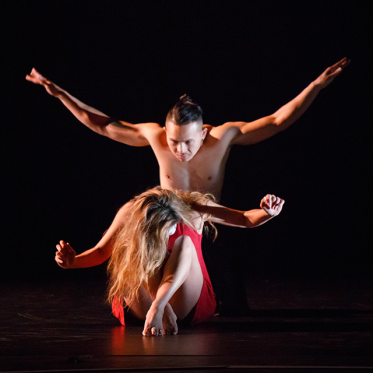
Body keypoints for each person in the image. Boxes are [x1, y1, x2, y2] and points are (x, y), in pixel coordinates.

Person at [26, 58, 349, 314]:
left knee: (233, 306)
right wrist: (59, 93)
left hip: (208, 219)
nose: (179, 150)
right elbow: (103, 125)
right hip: (165, 225)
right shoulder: (154, 136)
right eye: (173, 141)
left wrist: (317, 85)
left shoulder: (224, 137)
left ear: (204, 131)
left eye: (187, 143)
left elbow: (278, 121)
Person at [55, 187, 285, 336]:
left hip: (184, 299)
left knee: (185, 243)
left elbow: (245, 218)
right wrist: (71, 263)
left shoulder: (194, 210)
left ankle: (160, 306)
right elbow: (101, 251)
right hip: (139, 300)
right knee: (132, 246)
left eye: (170, 228)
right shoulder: (130, 213)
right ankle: (157, 306)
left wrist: (268, 213)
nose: (166, 236)